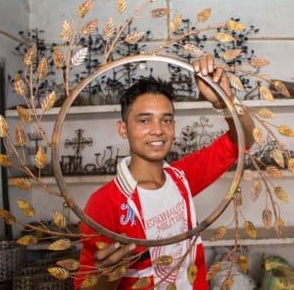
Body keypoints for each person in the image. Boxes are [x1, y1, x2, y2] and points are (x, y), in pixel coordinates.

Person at [74, 54, 255, 290]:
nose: (158, 130)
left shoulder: (183, 177)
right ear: (123, 129)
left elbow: (242, 140)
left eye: (166, 120)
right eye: (144, 121)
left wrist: (225, 101)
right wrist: (105, 277)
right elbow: (85, 286)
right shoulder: (104, 203)